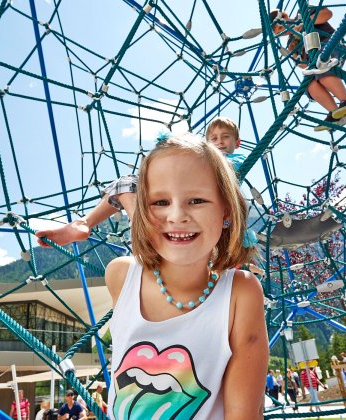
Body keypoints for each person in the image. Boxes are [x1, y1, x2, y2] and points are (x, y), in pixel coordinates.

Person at [98, 134, 268, 419]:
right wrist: (84, 222)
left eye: (197, 200)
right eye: (160, 202)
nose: (177, 216)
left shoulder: (240, 293)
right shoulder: (121, 275)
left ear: (226, 210)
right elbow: (125, 194)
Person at [36, 117, 263, 277]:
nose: (219, 142)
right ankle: (84, 223)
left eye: (225, 137)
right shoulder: (199, 161)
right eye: (213, 138)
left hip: (211, 222)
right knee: (126, 183)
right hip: (183, 211)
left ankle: (141, 234)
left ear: (237, 143)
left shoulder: (234, 160)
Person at [270, 7, 346, 131]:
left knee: (321, 66)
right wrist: (294, 56)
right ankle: (335, 113)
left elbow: (327, 14)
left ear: (285, 17)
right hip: (314, 62)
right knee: (309, 83)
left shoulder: (301, 14)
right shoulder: (291, 42)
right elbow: (302, 65)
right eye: (279, 32)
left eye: (281, 27)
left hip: (329, 46)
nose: (284, 31)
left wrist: (305, 22)